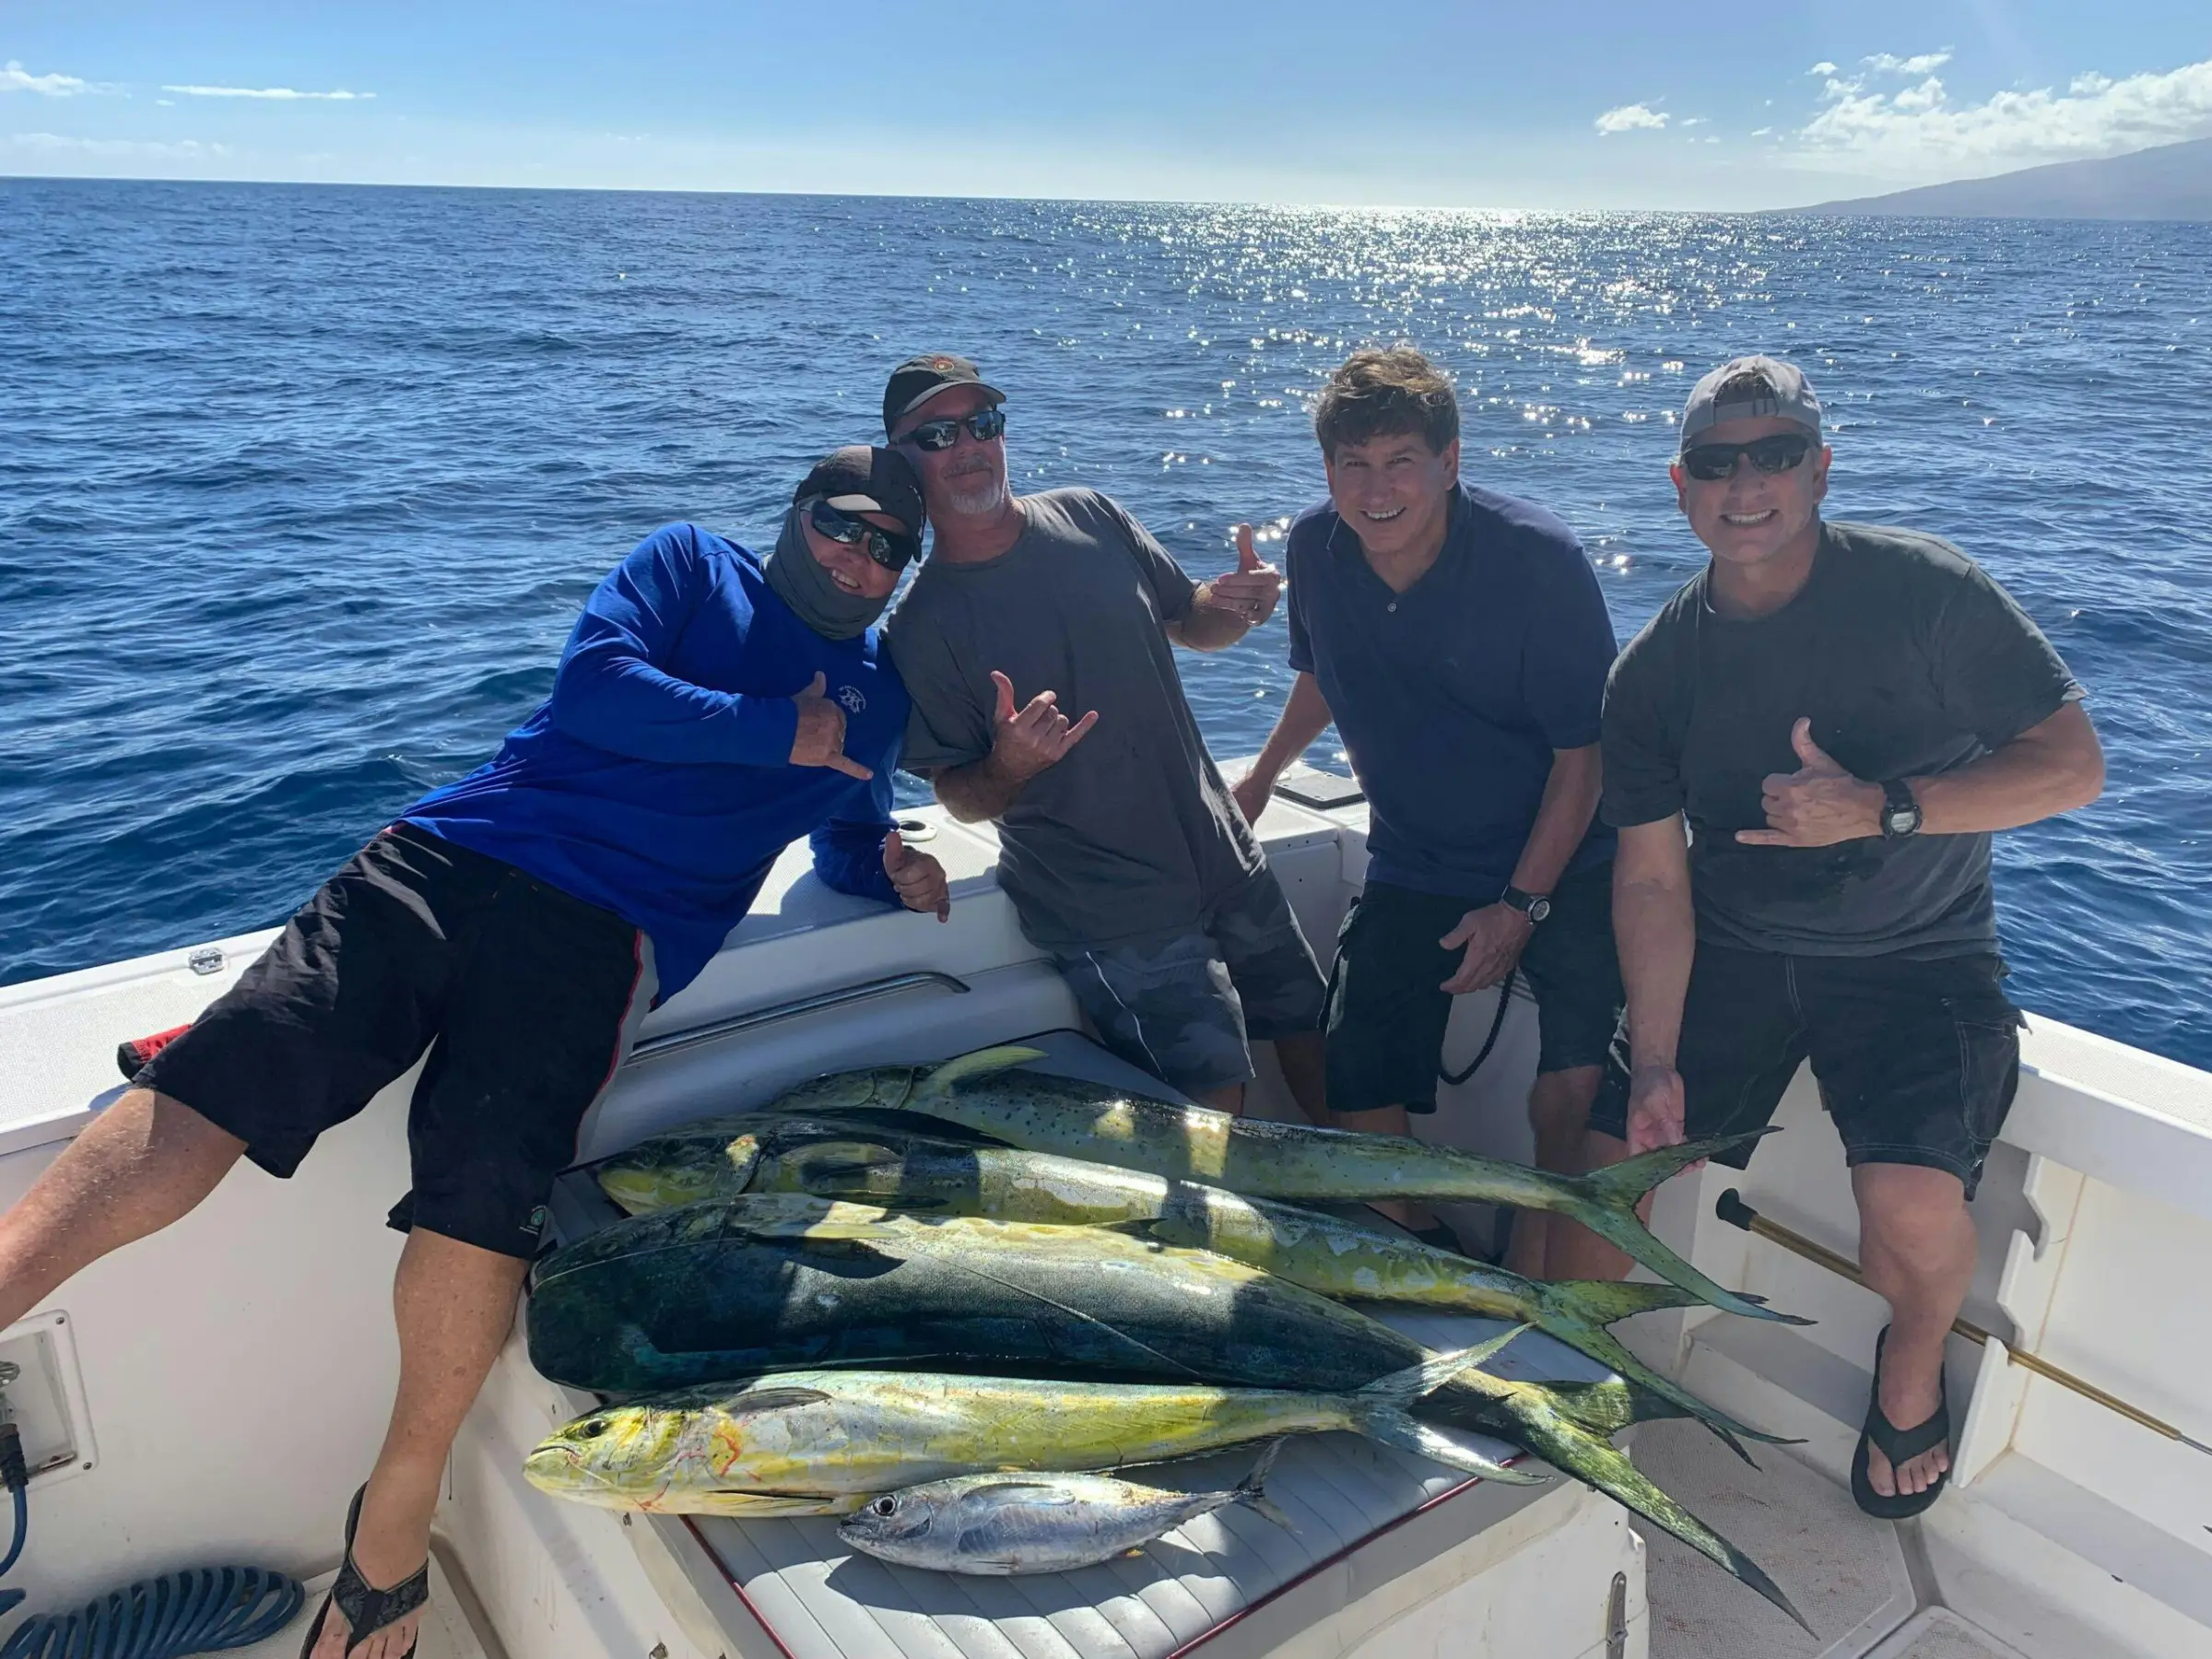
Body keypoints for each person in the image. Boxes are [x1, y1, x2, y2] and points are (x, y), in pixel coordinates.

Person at [0, 447, 952, 1659]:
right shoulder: (685, 565)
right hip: (452, 857)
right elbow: (597, 690)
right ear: (796, 515)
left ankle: (391, 1522)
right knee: (235, 1066)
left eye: (891, 551)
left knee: (490, 1188)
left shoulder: (876, 704)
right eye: (845, 526)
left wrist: (898, 865)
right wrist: (776, 727)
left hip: (604, 941)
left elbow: (847, 838)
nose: (861, 559)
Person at [1564, 356, 2104, 1520]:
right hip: (1738, 948)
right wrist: (1655, 1058)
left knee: (1908, 1204)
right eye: (1717, 461)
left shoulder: (1925, 590)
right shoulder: (1653, 671)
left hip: (1921, 956)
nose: (1745, 483)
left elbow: (2073, 767)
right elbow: (1654, 880)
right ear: (1679, 484)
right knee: (1609, 1170)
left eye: (1774, 455)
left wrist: (1883, 807)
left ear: (1820, 468)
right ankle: (1568, 1387)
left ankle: (1910, 1358)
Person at [1236, 348, 1622, 1261]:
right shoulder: (1315, 549)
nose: (1377, 491)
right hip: (1418, 853)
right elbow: (1320, 678)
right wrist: (1258, 778)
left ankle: (1542, 1299)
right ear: (1327, 469)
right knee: (1355, 1056)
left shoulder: (1538, 559)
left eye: (1401, 460)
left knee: (1569, 1089)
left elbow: (1586, 756)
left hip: (1568, 856)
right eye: (1352, 465)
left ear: (1450, 461)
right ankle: (1414, 1237)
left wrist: (1522, 906)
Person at [880, 352, 1327, 1116]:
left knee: (1315, 1032)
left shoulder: (1089, 512)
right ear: (901, 457)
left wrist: (1244, 605)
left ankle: (1379, 1222)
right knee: (1212, 1096)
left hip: (1223, 852)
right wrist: (1011, 763)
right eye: (939, 434)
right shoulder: (920, 628)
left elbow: (1193, 618)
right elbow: (960, 798)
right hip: (1109, 905)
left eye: (982, 424)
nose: (968, 447)